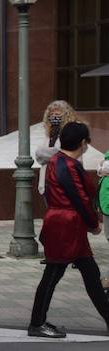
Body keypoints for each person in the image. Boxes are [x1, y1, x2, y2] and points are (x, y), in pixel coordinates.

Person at [31, 121, 109, 339]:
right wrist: (93, 223)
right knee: (54, 273)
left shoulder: (60, 161)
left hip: (65, 224)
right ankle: (36, 323)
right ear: (83, 143)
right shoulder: (67, 164)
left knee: (90, 273)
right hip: (66, 225)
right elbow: (80, 198)